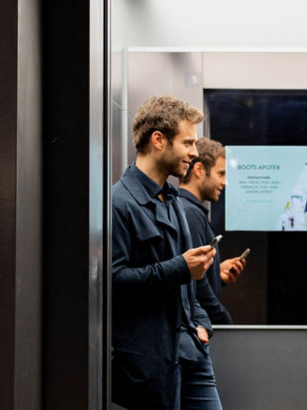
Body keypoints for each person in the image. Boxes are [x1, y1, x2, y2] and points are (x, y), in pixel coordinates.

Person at [112, 96, 223, 410]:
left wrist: (203, 324)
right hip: (150, 361)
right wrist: (180, 268)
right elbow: (113, 280)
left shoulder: (173, 199)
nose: (194, 152)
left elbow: (190, 280)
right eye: (187, 142)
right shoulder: (119, 203)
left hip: (192, 351)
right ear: (158, 140)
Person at [179, 138, 247, 324]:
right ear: (199, 170)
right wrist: (223, 321)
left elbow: (193, 273)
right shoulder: (190, 214)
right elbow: (195, 284)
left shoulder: (189, 210)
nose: (224, 182)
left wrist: (217, 275)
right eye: (221, 174)